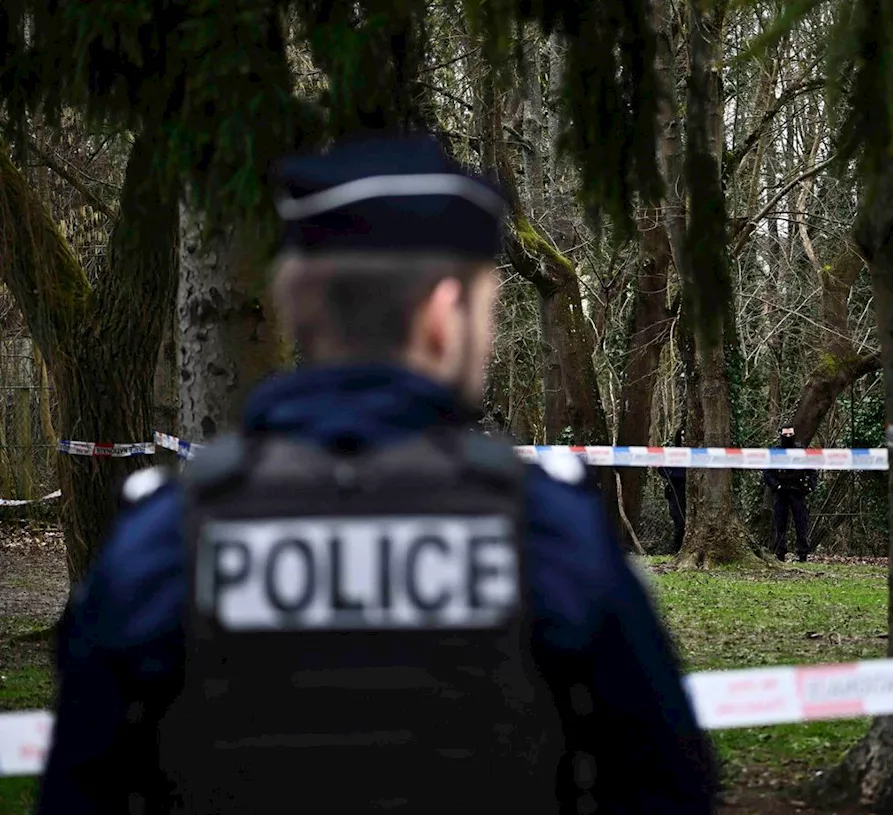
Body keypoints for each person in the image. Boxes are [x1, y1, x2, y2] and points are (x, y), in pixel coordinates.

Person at [38, 134, 716, 814]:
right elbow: (671, 785)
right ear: (442, 318)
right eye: (488, 310)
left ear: (302, 309)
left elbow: (79, 786)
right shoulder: (549, 535)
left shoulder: (162, 540)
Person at [763, 425, 817, 562]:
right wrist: (776, 485)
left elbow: (812, 471)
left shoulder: (801, 452)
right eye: (785, 435)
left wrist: (810, 486)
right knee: (780, 523)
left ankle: (803, 553)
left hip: (798, 492)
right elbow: (767, 472)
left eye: (790, 435)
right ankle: (780, 553)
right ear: (780, 435)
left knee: (801, 524)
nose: (788, 438)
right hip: (781, 492)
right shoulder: (775, 452)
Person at [657, 428, 688, 552]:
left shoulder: (697, 453)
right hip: (676, 490)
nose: (684, 438)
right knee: (679, 521)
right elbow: (662, 469)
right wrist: (673, 475)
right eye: (681, 436)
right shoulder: (673, 453)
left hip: (692, 491)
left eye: (686, 435)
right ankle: (676, 549)